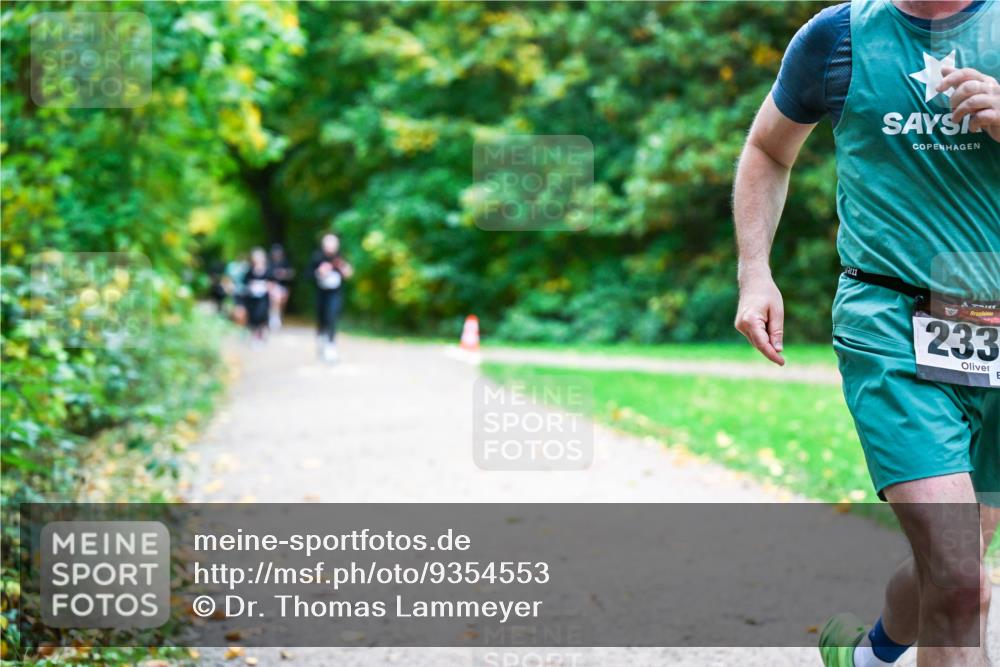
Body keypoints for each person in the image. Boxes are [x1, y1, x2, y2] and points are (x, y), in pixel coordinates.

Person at [732, 1, 999, 666]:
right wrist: (754, 273)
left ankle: (872, 652)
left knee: (952, 571)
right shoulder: (837, 38)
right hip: (890, 322)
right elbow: (767, 147)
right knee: (961, 578)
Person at [310, 233, 353, 363]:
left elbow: (348, 274)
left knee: (332, 318)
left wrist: (346, 271)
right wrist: (319, 272)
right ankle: (321, 343)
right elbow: (308, 274)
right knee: (322, 320)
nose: (330, 246)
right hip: (321, 295)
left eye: (333, 243)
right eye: (328, 243)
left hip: (335, 294)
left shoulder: (340, 258)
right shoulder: (317, 257)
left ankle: (331, 346)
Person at [242, 248, 273, 343]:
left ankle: (261, 334)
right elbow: (245, 282)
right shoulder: (249, 270)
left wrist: (267, 286)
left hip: (263, 297)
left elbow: (272, 282)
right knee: (253, 317)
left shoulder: (268, 270)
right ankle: (254, 336)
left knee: (261, 314)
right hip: (252, 297)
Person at [268, 243, 295, 330]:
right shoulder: (269, 263)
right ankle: (274, 318)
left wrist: (284, 274)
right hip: (272, 287)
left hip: (284, 287)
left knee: (281, 302)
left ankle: (277, 317)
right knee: (276, 299)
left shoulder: (285, 262)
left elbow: (292, 274)